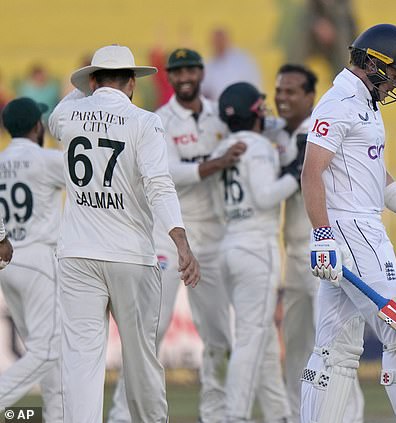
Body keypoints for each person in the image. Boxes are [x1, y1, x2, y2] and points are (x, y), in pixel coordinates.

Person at [300, 24, 396, 423]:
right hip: (352, 231)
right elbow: (311, 171)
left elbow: (374, 174)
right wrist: (322, 236)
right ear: (373, 63)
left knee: (334, 347)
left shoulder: (364, 104)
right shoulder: (339, 103)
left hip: (358, 229)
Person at [48, 44, 200, 423]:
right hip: (131, 255)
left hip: (77, 255)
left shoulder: (67, 116)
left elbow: (59, 113)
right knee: (140, 360)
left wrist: (85, 82)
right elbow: (159, 185)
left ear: (93, 80)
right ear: (132, 83)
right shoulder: (145, 121)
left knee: (81, 361)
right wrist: (180, 240)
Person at [106, 48, 244, 423]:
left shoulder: (222, 115)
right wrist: (215, 163)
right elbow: (168, 173)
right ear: (171, 77)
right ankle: (122, 414)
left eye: (190, 70)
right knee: (152, 330)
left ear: (201, 73)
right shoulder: (157, 120)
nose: (184, 77)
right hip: (167, 235)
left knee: (218, 337)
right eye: (177, 71)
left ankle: (215, 414)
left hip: (213, 237)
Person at [274, 63, 364, 423]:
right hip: (294, 258)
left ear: (310, 97)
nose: (282, 98)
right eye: (279, 90)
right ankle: (302, 417)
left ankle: (351, 417)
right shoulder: (277, 134)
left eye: (291, 91)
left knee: (335, 349)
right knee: (295, 347)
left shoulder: (323, 130)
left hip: (327, 252)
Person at [214, 81, 300, 423]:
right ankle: (234, 416)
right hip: (256, 248)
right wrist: (296, 171)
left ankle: (279, 415)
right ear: (254, 111)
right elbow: (266, 196)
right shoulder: (259, 146)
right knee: (252, 338)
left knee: (261, 339)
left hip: (230, 245)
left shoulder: (222, 148)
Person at [0, 97, 64, 422]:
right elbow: (87, 174)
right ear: (37, 126)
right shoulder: (44, 159)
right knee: (50, 349)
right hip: (39, 258)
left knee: (51, 358)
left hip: (7, 263)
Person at [200, 28, 262, 101]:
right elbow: (204, 90)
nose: (218, 43)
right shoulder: (209, 65)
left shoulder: (243, 61)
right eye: (216, 41)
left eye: (221, 40)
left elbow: (253, 85)